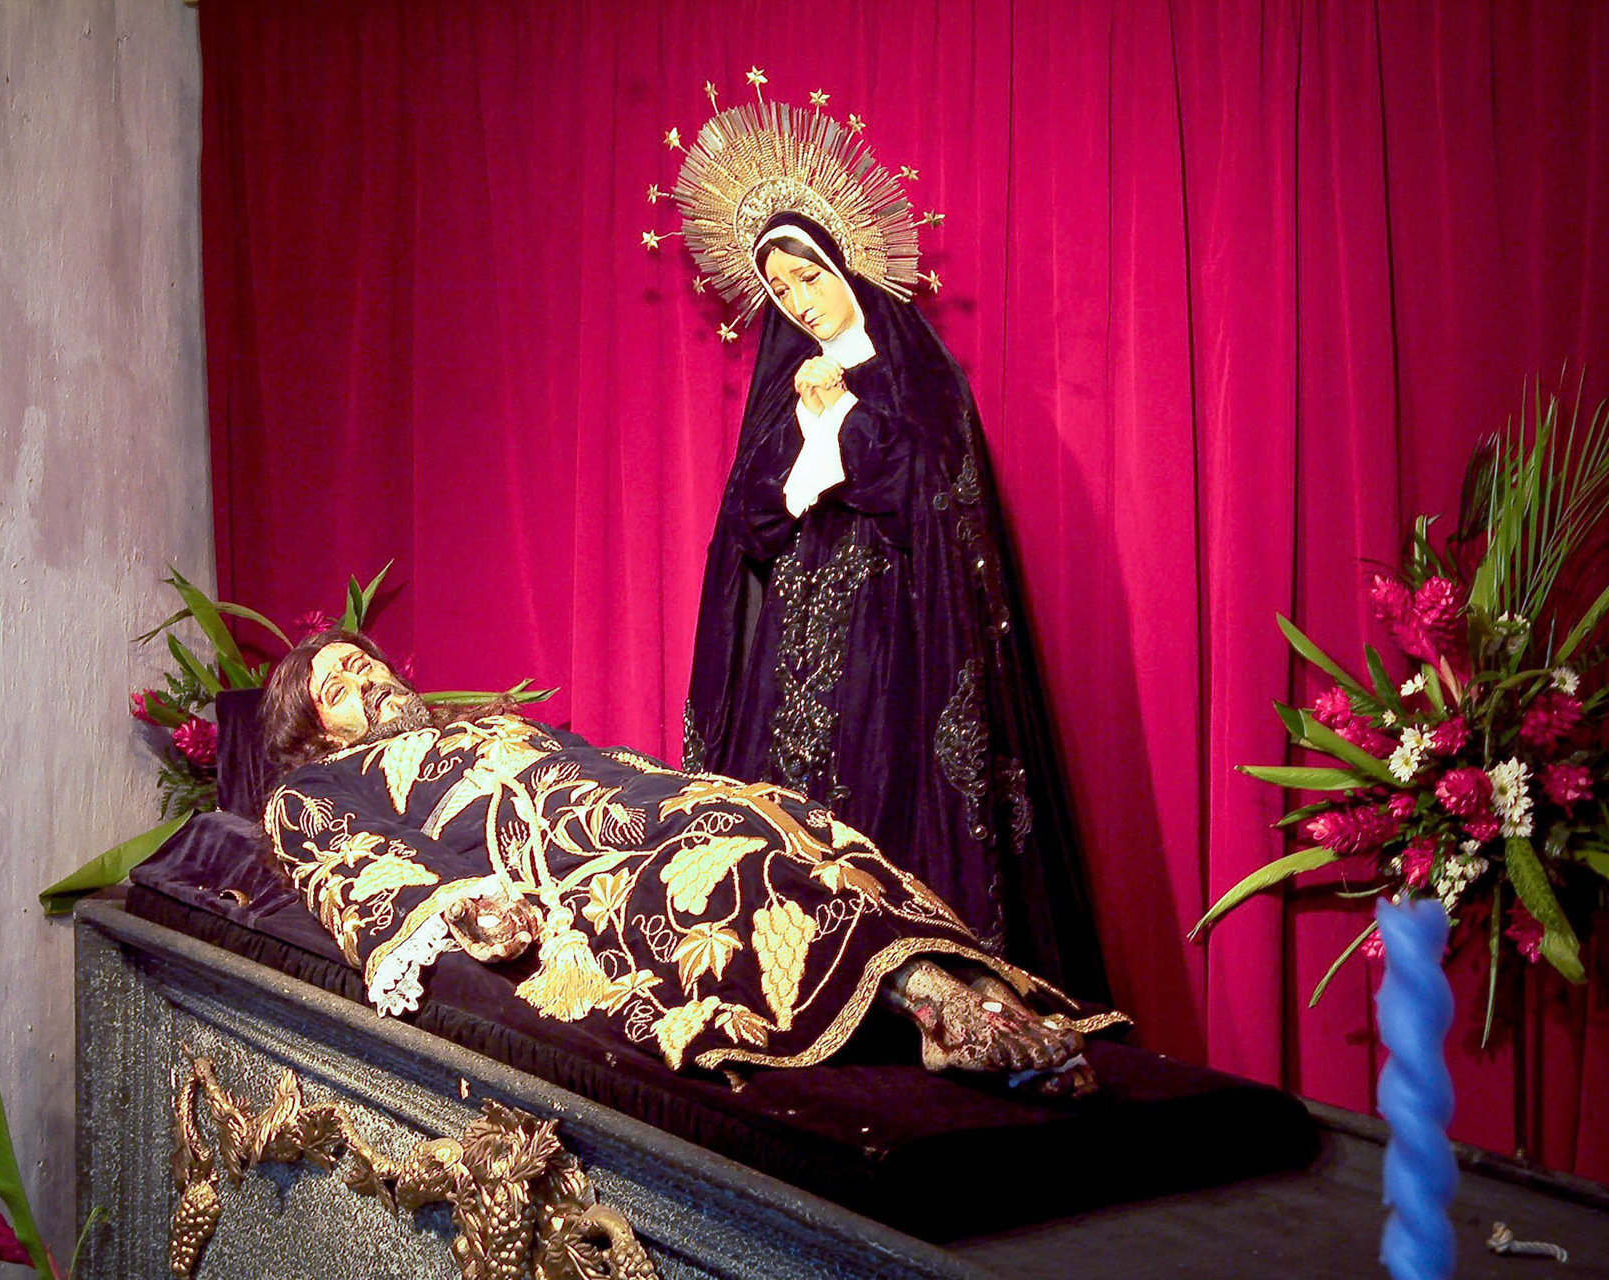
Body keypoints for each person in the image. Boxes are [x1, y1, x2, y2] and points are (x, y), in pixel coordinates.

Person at [259, 633, 1126, 1095]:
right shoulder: (321, 786)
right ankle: (934, 1009)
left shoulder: (483, 721)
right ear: (314, 733)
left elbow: (597, 761)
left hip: (639, 799)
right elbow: (359, 872)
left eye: (361, 661)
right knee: (729, 865)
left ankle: (970, 989)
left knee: (780, 814)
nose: (364, 678)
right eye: (337, 686)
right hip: (555, 858)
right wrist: (467, 907)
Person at [684, 213, 1108, 999]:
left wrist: (845, 414)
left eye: (809, 278)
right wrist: (806, 420)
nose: (801, 302)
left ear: (845, 271)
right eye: (781, 290)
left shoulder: (916, 378)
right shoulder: (785, 393)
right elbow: (748, 521)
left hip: (891, 642)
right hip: (791, 650)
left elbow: (933, 498)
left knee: (880, 817)